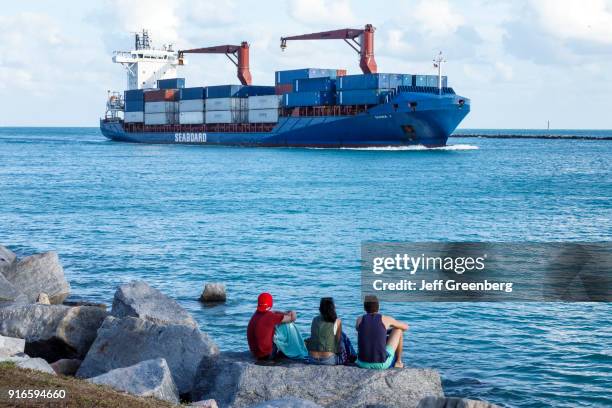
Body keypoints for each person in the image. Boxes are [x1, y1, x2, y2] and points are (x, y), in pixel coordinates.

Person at [247, 292, 307, 360]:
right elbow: (292, 318)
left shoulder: (256, 315)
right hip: (267, 355)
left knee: (275, 328)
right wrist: (293, 311)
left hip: (256, 353)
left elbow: (274, 312)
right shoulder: (270, 317)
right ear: (271, 303)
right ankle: (293, 350)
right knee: (287, 325)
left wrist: (283, 313)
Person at [355, 295, 408, 369]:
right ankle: (398, 362)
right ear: (378, 307)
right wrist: (390, 329)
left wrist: (384, 331)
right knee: (398, 330)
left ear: (364, 308)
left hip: (361, 363)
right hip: (381, 364)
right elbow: (405, 327)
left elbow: (367, 331)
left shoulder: (359, 320)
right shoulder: (386, 319)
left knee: (361, 333)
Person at [305, 297, 349, 365]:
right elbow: (338, 342)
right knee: (343, 337)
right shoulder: (337, 321)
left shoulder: (314, 319)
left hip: (312, 359)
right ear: (332, 308)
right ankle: (352, 357)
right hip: (328, 360)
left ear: (320, 308)